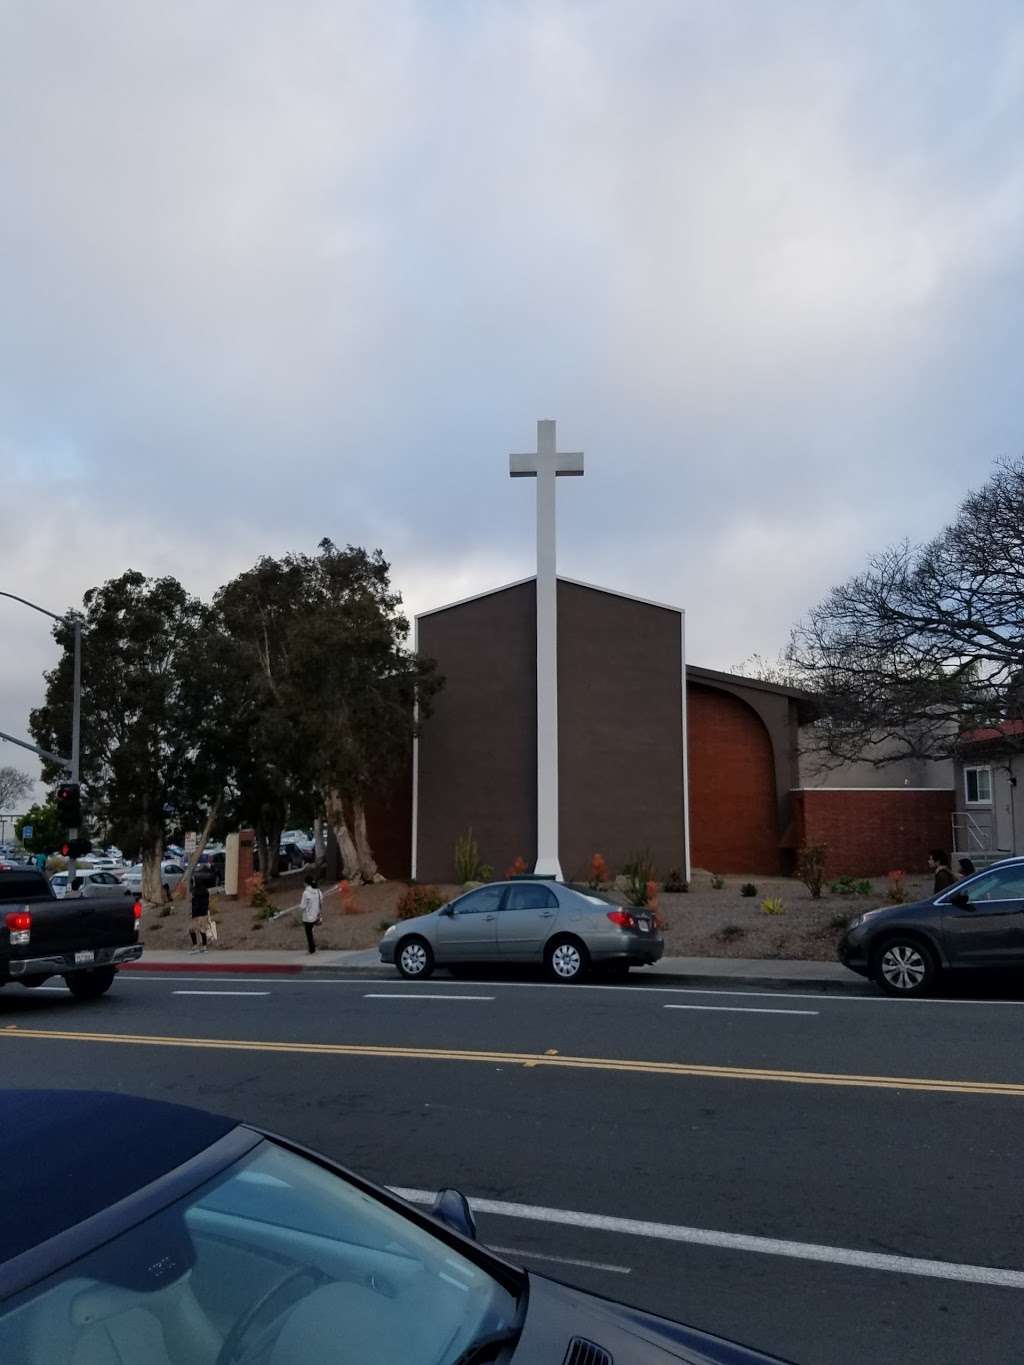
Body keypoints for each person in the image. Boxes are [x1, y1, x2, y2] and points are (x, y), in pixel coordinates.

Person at [300, 875, 322, 955]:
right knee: (311, 931)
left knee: (309, 933)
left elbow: (302, 906)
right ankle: (312, 947)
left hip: (307, 917)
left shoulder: (305, 893)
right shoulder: (319, 891)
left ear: (306, 883)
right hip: (316, 915)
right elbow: (321, 902)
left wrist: (301, 906)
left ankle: (312, 949)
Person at [189, 870, 211, 953]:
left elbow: (196, 904)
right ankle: (204, 947)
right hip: (203, 912)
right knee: (202, 930)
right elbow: (206, 903)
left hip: (197, 913)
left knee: (192, 929)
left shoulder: (197, 892)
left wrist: (194, 912)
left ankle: (195, 946)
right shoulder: (205, 891)